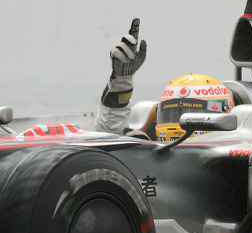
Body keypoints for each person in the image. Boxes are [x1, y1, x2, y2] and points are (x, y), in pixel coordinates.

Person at [95, 19, 234, 141]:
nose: (181, 121)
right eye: (173, 114)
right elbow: (110, 136)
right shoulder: (150, 154)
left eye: (191, 113)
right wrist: (121, 81)